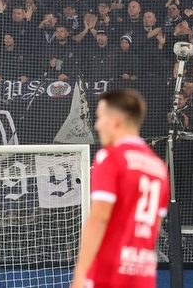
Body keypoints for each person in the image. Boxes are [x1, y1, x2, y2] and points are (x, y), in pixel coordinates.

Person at [69, 89, 168, 288]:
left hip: (108, 274)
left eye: (99, 118)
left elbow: (99, 218)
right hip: (142, 276)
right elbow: (154, 226)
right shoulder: (158, 167)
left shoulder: (110, 157)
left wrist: (80, 276)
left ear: (114, 120)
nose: (96, 125)